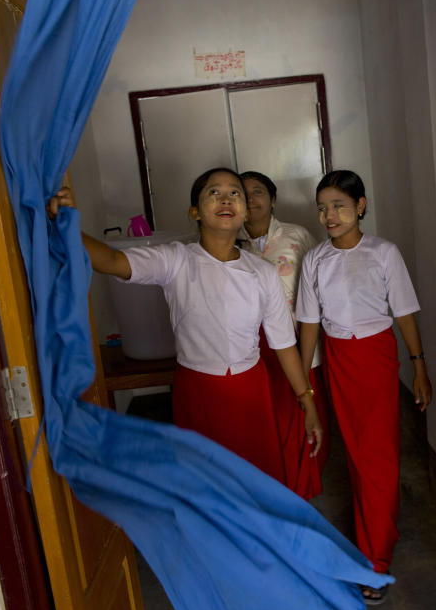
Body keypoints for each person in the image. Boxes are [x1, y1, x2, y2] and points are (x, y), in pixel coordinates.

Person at [47, 168, 322, 483]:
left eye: (235, 193)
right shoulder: (175, 260)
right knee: (206, 484)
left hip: (251, 392)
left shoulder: (262, 272)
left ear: (244, 210)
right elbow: (111, 261)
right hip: (198, 390)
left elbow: (284, 344)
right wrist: (67, 225)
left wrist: (307, 401)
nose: (226, 198)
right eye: (213, 192)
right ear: (195, 211)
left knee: (257, 482)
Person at [296, 169, 432, 605]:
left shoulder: (383, 253)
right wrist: (304, 386)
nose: (328, 215)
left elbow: (405, 312)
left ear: (361, 205)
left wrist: (419, 367)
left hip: (375, 357)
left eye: (338, 205)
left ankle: (375, 558)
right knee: (357, 457)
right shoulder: (315, 260)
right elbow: (310, 324)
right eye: (322, 207)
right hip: (337, 361)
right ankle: (377, 531)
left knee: (378, 456)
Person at [237, 170, 330, 499]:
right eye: (243, 193)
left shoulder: (296, 236)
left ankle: (302, 490)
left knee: (304, 416)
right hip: (253, 352)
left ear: (273, 199)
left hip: (299, 345)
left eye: (258, 192)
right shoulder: (230, 244)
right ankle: (274, 490)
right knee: (268, 424)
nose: (251, 200)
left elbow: (322, 284)